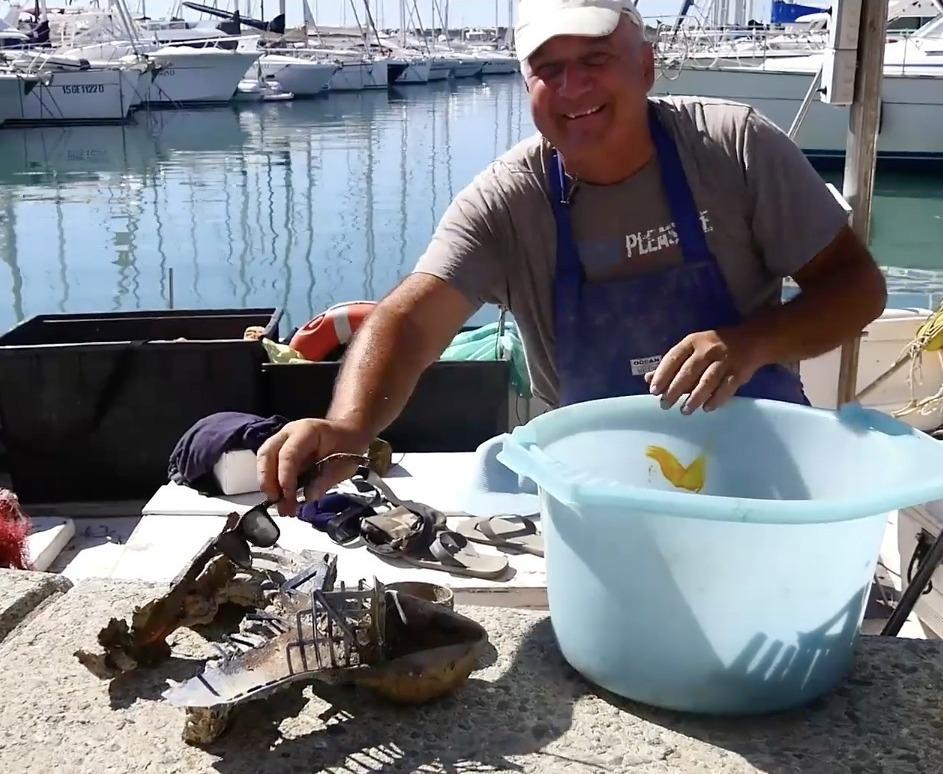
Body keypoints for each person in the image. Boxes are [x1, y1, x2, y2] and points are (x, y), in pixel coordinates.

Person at [258, 0, 887, 515]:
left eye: (595, 59)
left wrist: (751, 343)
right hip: (598, 491)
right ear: (525, 84)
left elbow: (858, 288)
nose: (573, 86)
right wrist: (348, 427)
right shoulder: (508, 200)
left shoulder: (733, 146)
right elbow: (410, 321)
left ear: (645, 65)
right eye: (548, 67)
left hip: (762, 475)